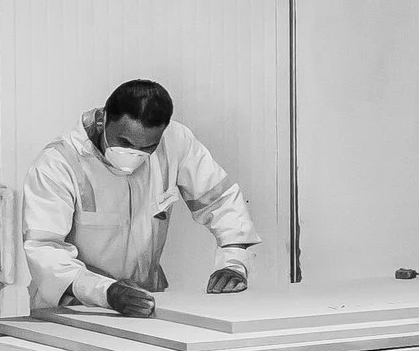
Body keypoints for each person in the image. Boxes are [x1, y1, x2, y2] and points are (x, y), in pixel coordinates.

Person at [22, 78, 258, 318]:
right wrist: (105, 292)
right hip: (71, 311)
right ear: (103, 119)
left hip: (143, 306)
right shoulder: (58, 163)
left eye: (147, 148)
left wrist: (235, 263)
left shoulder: (176, 141)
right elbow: (44, 249)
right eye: (124, 142)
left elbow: (221, 201)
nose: (134, 155)